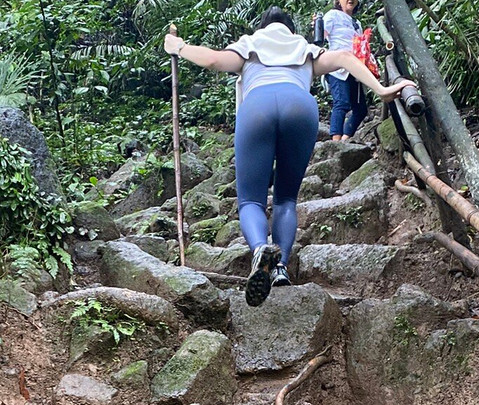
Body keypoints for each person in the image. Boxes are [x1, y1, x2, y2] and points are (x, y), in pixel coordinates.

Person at [164, 8, 414, 307]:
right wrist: (382, 90)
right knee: (285, 199)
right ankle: (280, 266)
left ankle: (260, 249)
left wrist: (178, 47)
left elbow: (214, 60)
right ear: (290, 29)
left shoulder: (251, 43)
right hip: (300, 106)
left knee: (251, 201)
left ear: (263, 27)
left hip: (258, 105)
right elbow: (345, 58)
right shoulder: (304, 48)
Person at [322, 0, 366, 142]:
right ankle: (335, 142)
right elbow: (321, 35)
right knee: (341, 103)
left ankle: (345, 140)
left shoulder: (356, 23)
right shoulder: (332, 15)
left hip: (354, 68)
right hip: (337, 68)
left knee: (360, 109)